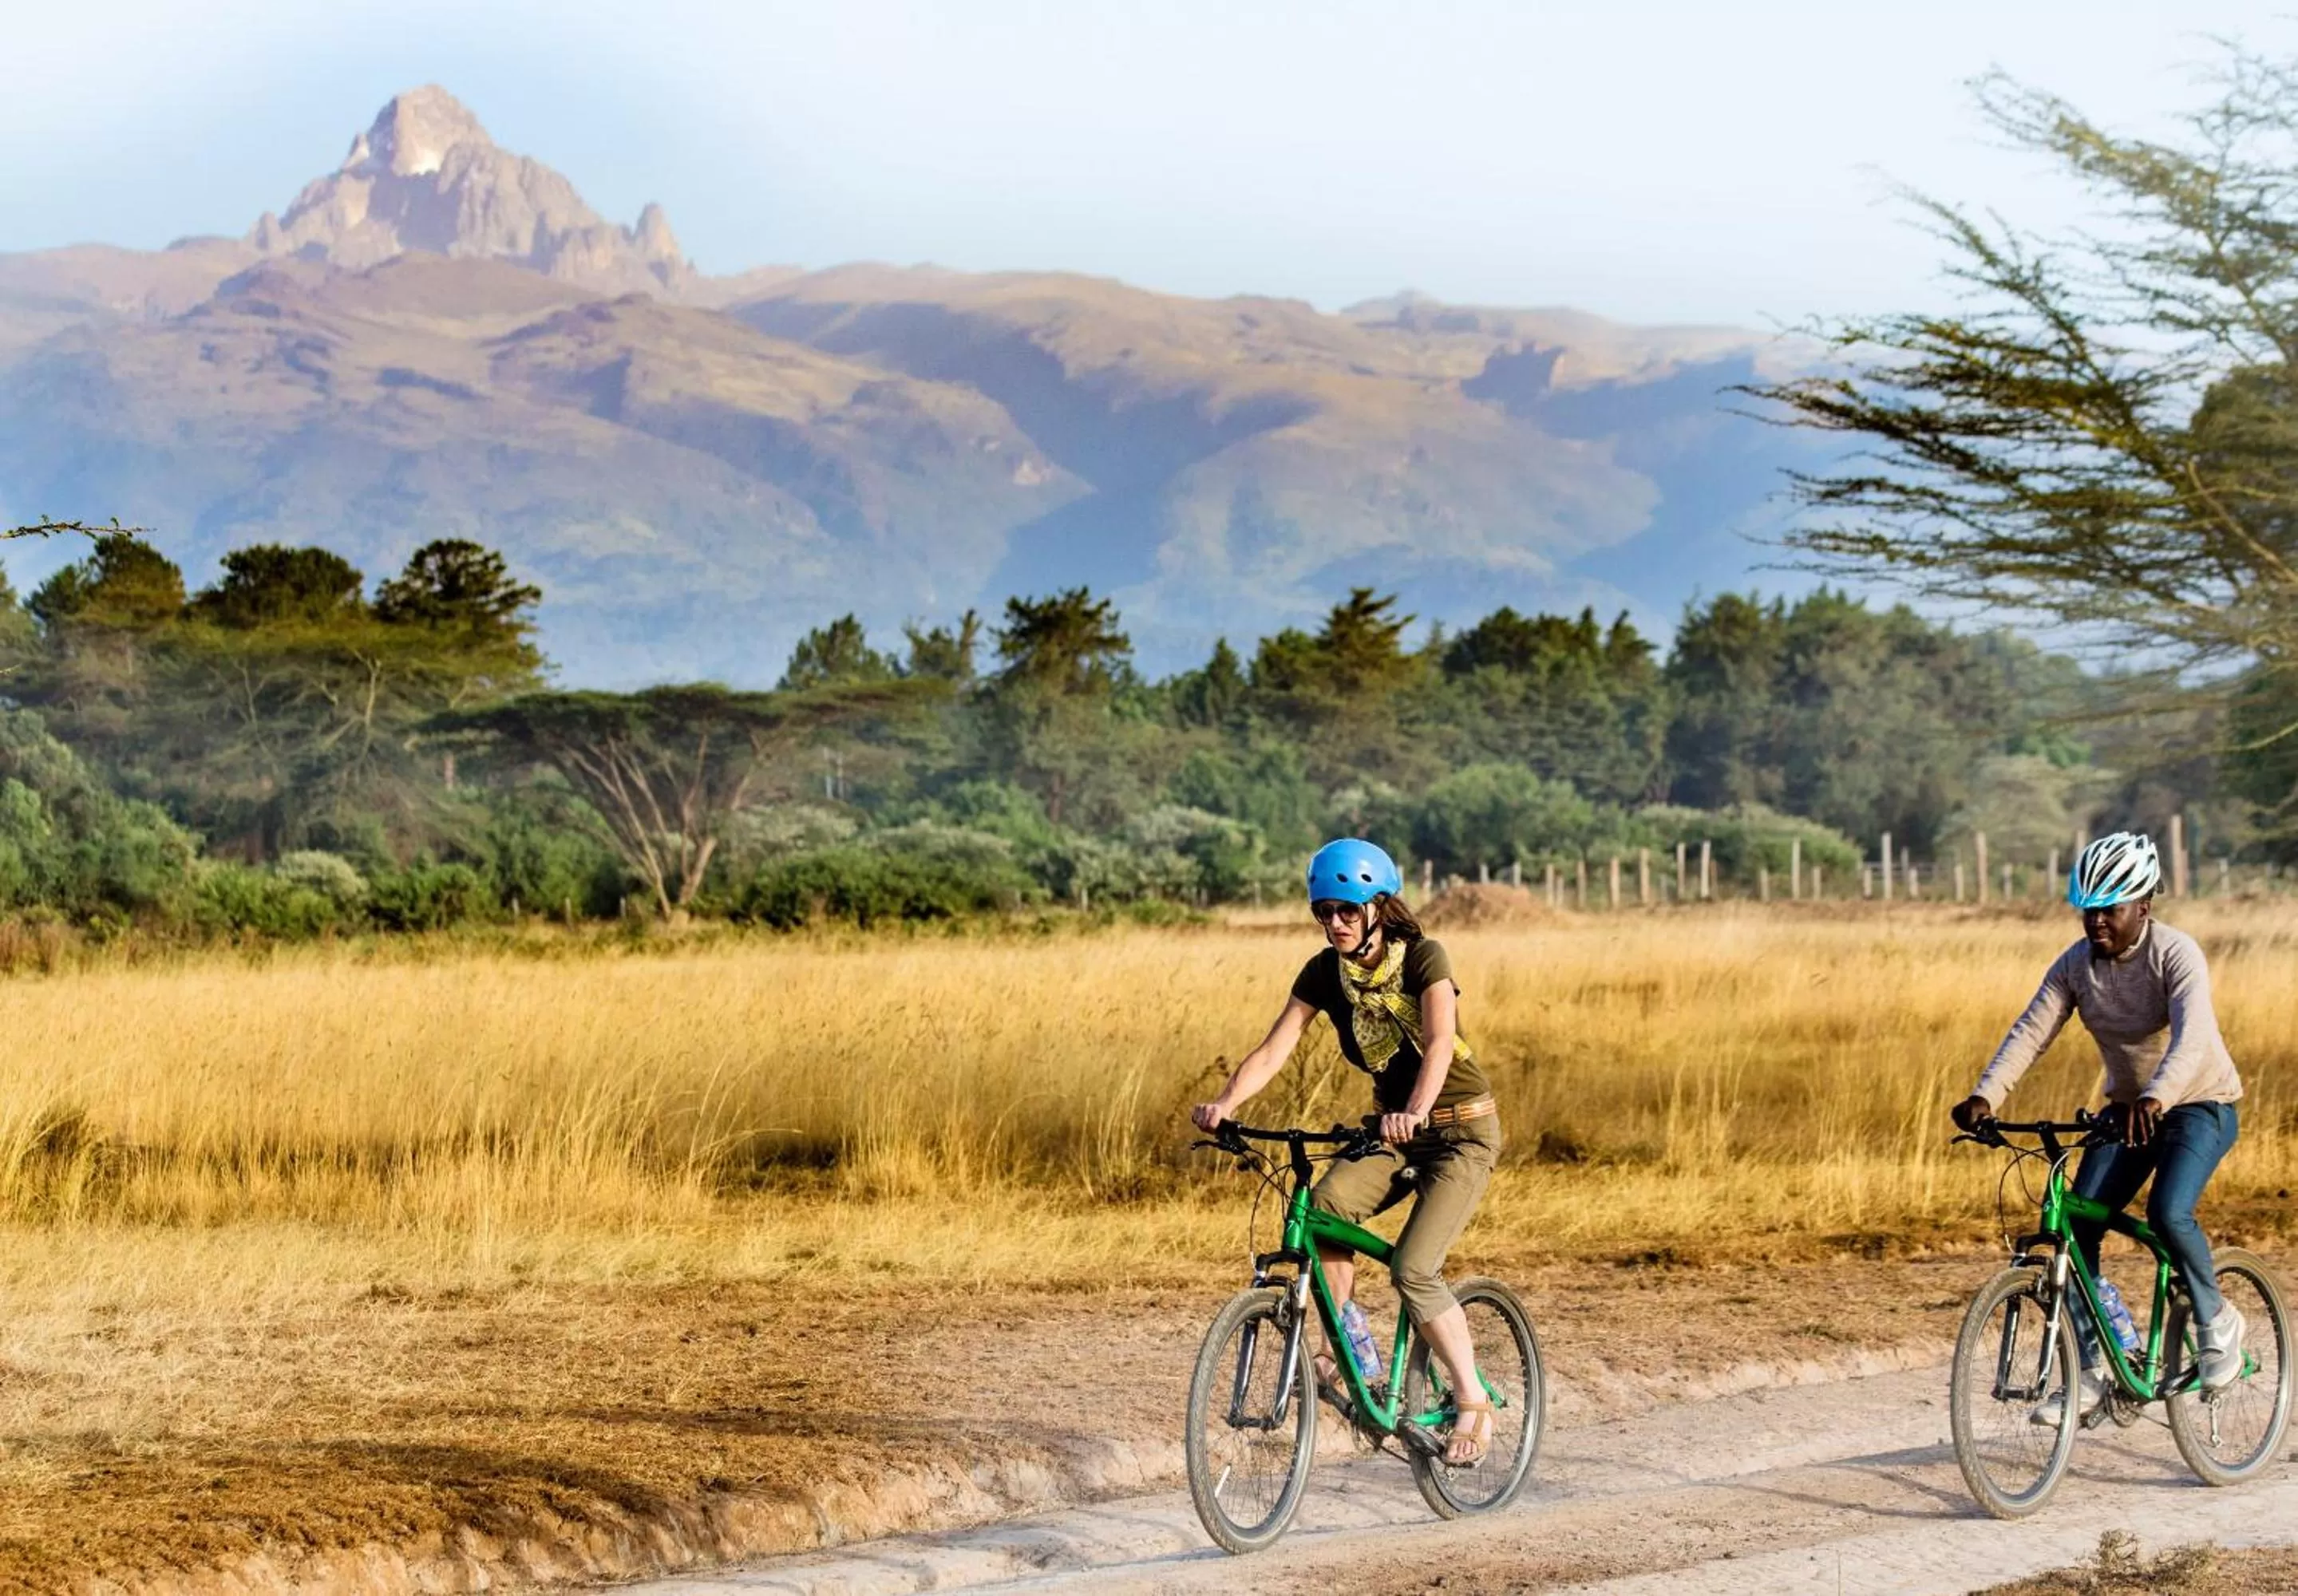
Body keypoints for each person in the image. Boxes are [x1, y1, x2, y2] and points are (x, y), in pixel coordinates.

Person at [1190, 838, 1504, 1466]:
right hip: (1391, 1133)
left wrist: (1415, 1110)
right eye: (1323, 912)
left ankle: (1472, 1399)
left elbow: (1440, 1042)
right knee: (1323, 1213)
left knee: (1413, 1269)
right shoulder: (1323, 973)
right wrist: (1224, 1103)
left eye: (1347, 911)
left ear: (1378, 908)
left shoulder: (1423, 958)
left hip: (1458, 1132)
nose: (1334, 923)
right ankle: (1351, 1356)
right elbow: (1275, 1049)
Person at [1950, 832, 2246, 1424]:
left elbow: (2192, 1037)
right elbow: (2031, 1031)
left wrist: (2157, 1096)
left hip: (2199, 1104)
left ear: (2144, 906)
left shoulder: (2175, 954)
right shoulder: (2074, 965)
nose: (2096, 922)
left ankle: (2217, 1321)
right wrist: (1986, 1094)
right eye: (2087, 910)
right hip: (2129, 1112)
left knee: (2168, 1212)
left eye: (2110, 909)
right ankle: (2095, 1368)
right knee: (2076, 1226)